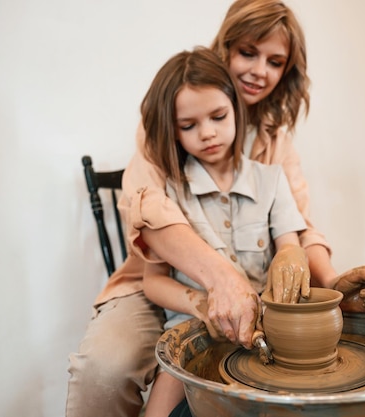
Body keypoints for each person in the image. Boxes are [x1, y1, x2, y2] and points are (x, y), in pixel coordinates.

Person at [66, 1, 365, 416]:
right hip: (167, 285)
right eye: (248, 53)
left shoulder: (273, 147)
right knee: (103, 371)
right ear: (225, 47)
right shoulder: (168, 136)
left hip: (251, 298)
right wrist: (218, 284)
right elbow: (150, 217)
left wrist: (331, 281)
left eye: (275, 61)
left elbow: (297, 232)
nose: (260, 71)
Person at [140, 47, 310, 417]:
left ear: (237, 108)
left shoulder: (271, 179)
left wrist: (292, 255)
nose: (208, 133)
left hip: (266, 327)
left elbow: (289, 245)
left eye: (218, 116)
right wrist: (199, 304)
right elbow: (152, 282)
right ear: (173, 130)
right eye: (189, 126)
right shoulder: (170, 192)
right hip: (193, 333)